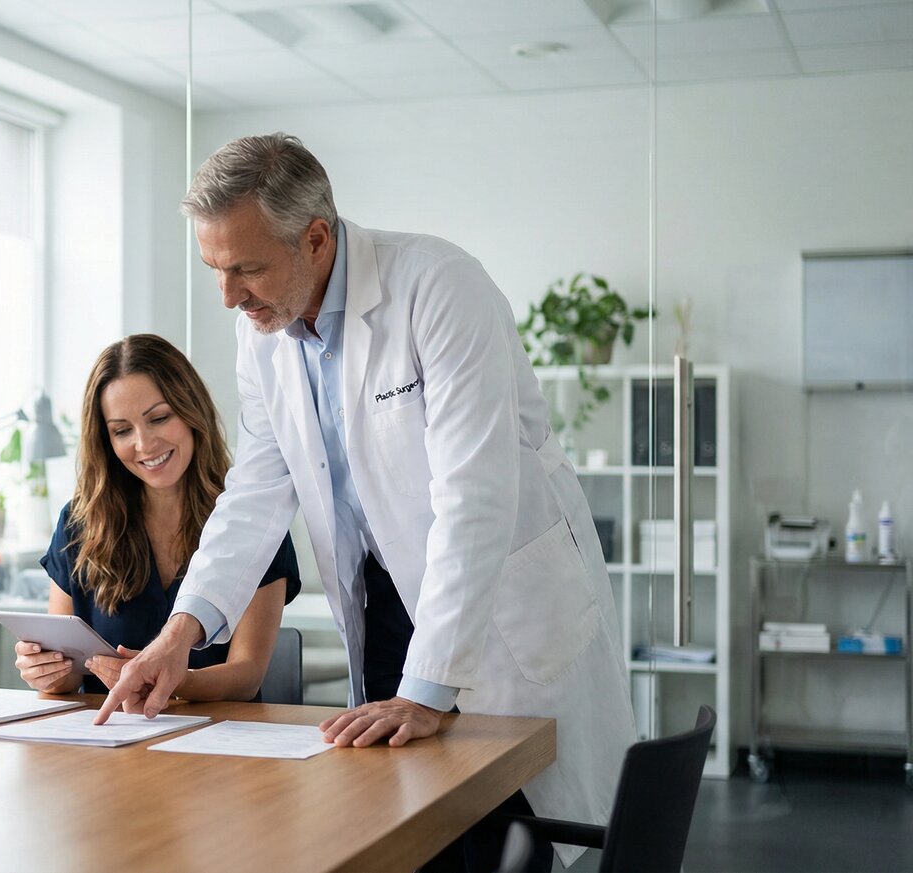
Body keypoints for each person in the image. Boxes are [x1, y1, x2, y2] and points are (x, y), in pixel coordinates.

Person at [97, 134, 635, 872]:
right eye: (214, 270)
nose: (228, 295)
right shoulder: (263, 333)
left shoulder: (439, 287)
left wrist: (428, 689)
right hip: (382, 607)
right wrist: (180, 632)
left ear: (315, 238)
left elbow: (474, 497)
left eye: (246, 268)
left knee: (515, 836)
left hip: (498, 611)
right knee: (411, 836)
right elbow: (255, 489)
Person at [14, 334, 301, 700]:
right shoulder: (79, 523)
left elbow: (246, 676)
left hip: (219, 741)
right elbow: (67, 675)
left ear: (191, 411)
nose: (144, 444)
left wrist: (169, 682)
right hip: (108, 741)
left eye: (159, 418)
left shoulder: (252, 521)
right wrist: (46, 670)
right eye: (121, 430)